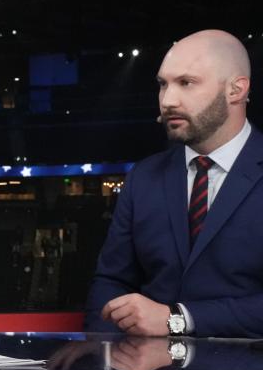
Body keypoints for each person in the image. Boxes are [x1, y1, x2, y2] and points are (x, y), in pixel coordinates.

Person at [85, 29, 261, 337]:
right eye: (162, 85)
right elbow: (111, 281)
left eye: (186, 83)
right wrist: (104, 363)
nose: (168, 100)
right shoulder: (143, 177)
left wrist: (178, 319)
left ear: (236, 89)